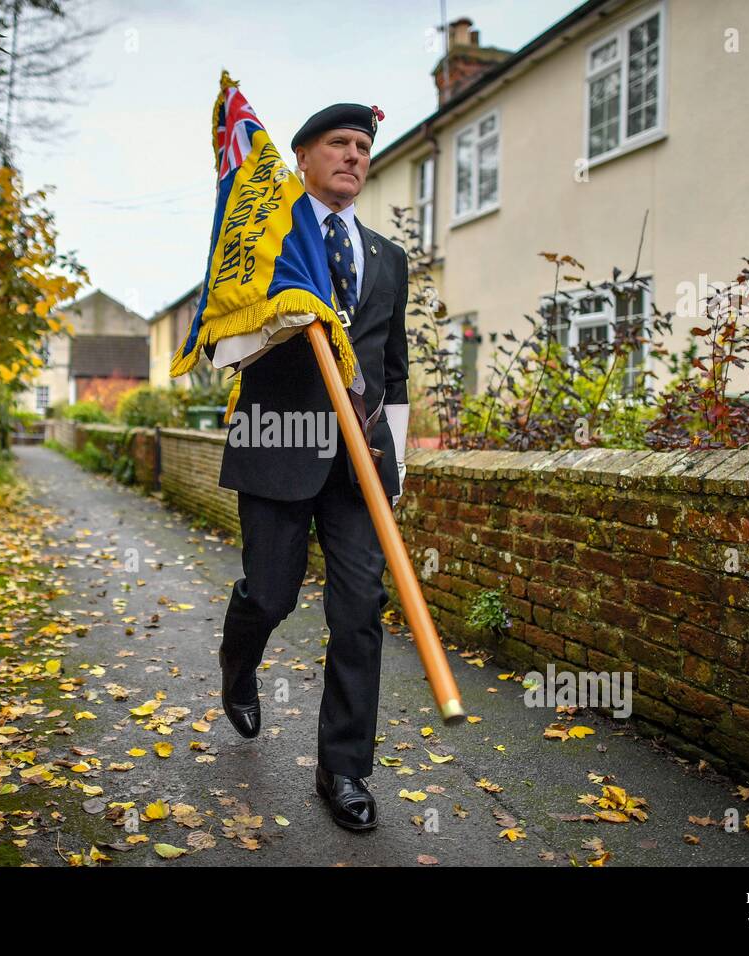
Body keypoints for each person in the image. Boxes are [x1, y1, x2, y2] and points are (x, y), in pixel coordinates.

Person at [203, 102, 410, 831]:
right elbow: (217, 341)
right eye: (338, 144)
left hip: (361, 467)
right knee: (271, 595)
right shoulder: (265, 240)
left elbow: (394, 367)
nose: (353, 156)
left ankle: (343, 770)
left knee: (359, 612)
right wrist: (278, 320)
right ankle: (239, 663)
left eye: (362, 146)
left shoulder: (389, 257)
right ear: (301, 157)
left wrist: (398, 466)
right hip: (275, 448)